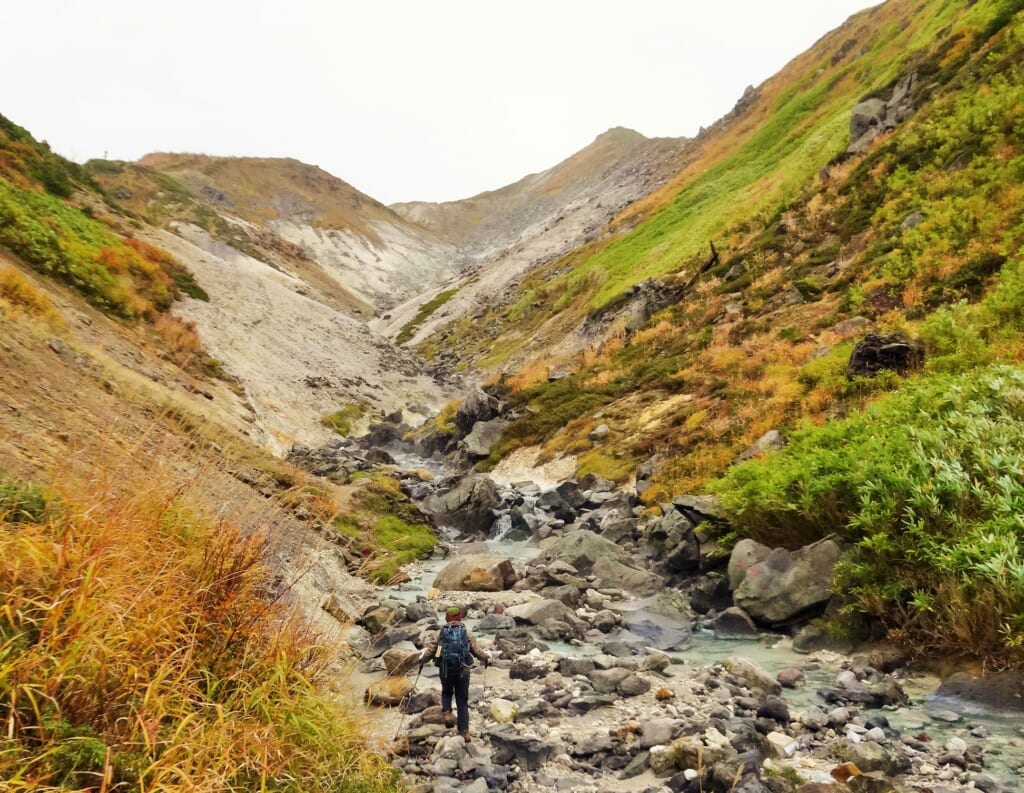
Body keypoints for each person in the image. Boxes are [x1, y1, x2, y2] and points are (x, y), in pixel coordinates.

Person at [419, 605, 491, 742]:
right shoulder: (466, 633)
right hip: (463, 671)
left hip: (445, 670)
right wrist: (486, 658)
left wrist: (422, 660)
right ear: (460, 618)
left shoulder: (439, 633)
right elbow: (477, 651)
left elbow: (434, 651)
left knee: (446, 692)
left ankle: (446, 711)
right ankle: (464, 732)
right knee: (462, 701)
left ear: (446, 618)